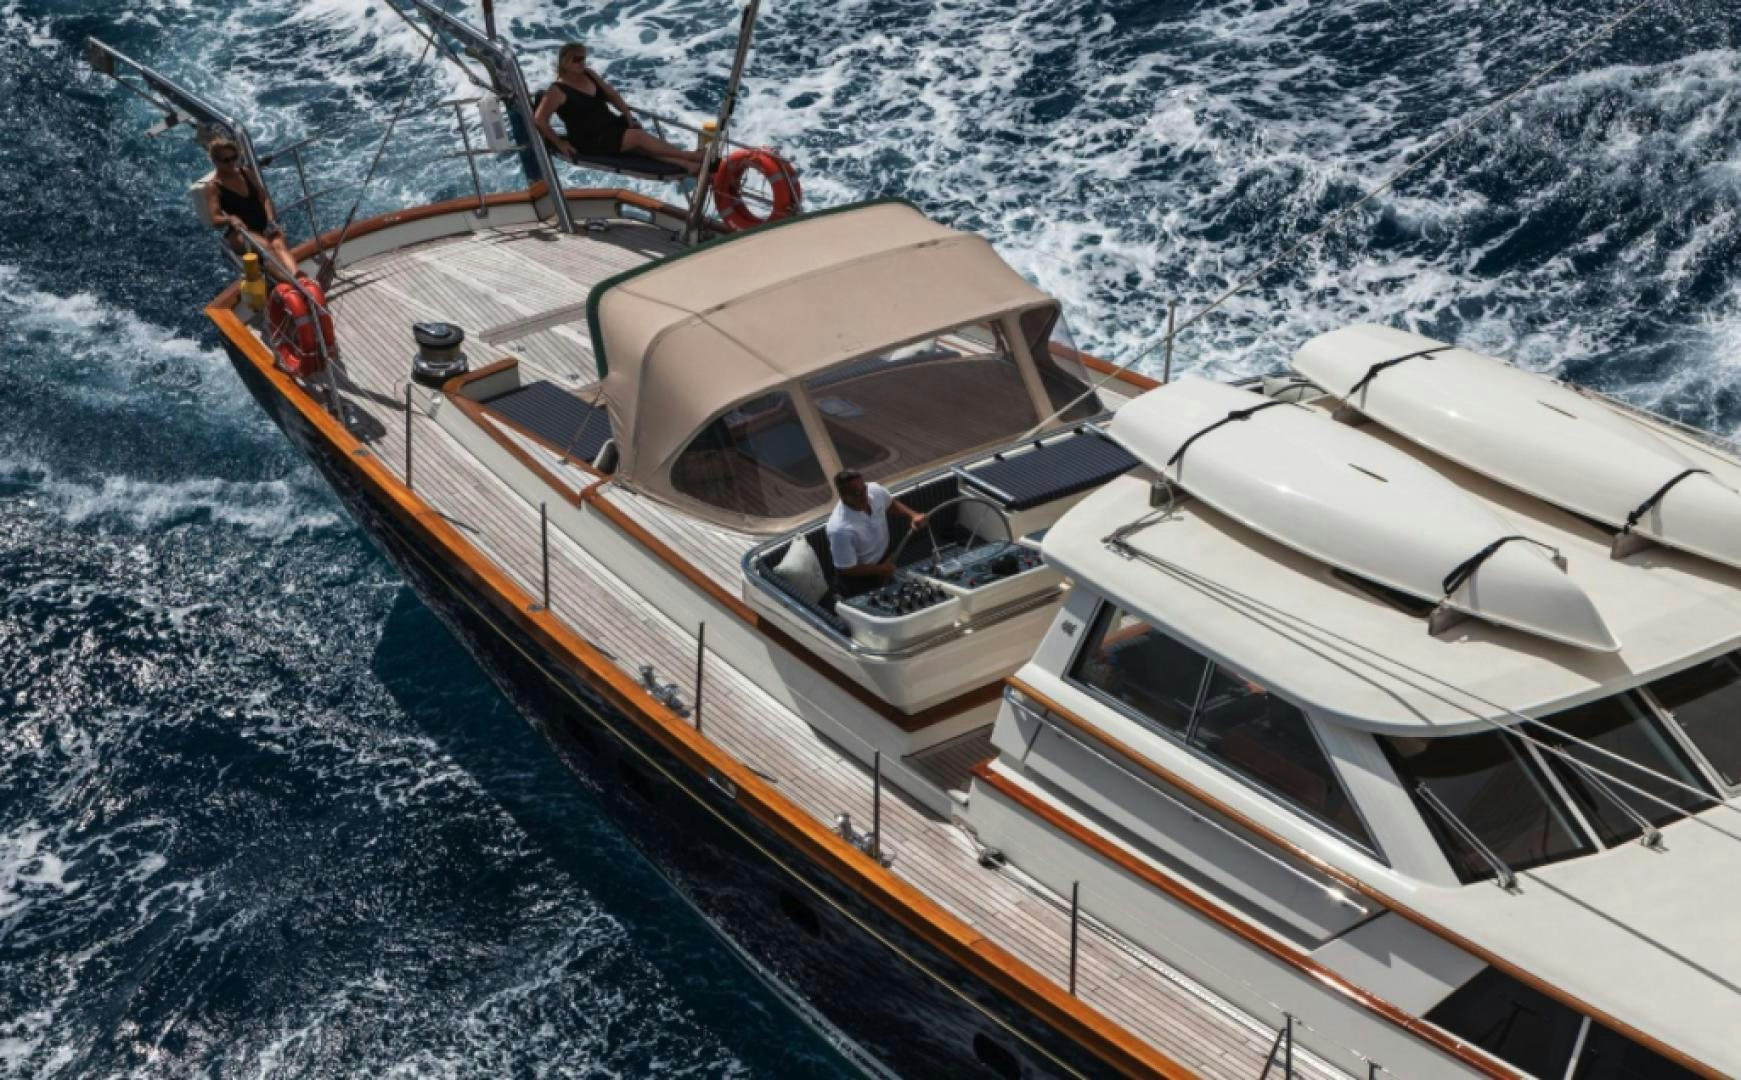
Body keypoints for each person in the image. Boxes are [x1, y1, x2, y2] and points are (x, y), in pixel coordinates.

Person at [532, 43, 708, 177]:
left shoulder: (589, 74)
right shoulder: (557, 90)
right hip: (589, 139)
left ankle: (686, 165)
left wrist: (627, 115)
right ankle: (690, 156)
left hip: (609, 126)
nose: (581, 63)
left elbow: (612, 95)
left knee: (642, 149)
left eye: (583, 58)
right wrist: (560, 143)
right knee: (638, 138)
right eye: (576, 59)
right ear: (565, 62)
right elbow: (539, 120)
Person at [203, 137, 298, 279]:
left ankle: (298, 278)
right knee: (266, 246)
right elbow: (215, 218)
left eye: (234, 158)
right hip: (241, 233)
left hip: (262, 224)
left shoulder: (245, 172)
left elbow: (264, 197)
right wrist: (230, 219)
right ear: (215, 162)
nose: (231, 163)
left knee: (278, 242)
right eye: (226, 160)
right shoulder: (213, 186)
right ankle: (294, 286)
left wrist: (271, 220)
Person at [826, 471, 926, 596]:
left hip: (885, 561)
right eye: (857, 493)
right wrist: (881, 570)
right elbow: (847, 568)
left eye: (864, 489)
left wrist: (913, 515)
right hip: (860, 580)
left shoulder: (875, 490)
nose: (864, 496)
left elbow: (890, 504)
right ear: (842, 496)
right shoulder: (839, 530)